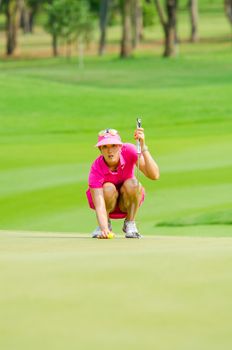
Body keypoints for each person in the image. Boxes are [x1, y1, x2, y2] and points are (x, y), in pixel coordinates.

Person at [86, 127, 160, 238]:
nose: (109, 150)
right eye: (105, 147)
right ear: (100, 149)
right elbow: (99, 203)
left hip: (128, 201)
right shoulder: (96, 168)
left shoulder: (130, 150)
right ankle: (107, 224)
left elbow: (154, 175)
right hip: (107, 203)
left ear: (120, 146)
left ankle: (130, 224)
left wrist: (143, 147)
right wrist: (104, 229)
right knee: (108, 188)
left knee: (133, 184)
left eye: (113, 145)